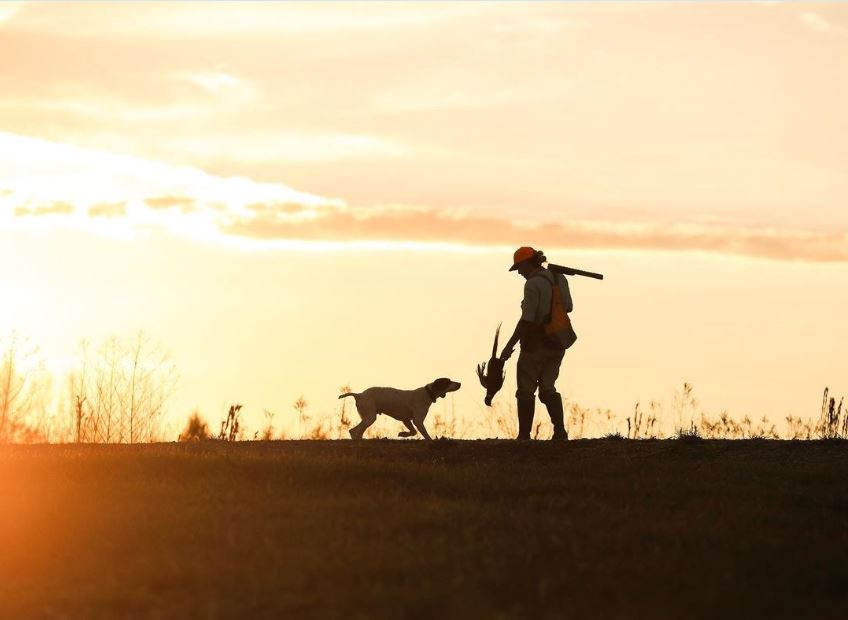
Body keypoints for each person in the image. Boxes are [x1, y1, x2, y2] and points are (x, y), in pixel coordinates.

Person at [499, 246, 572, 441]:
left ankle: (524, 436)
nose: (519, 273)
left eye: (519, 268)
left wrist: (509, 346)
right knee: (548, 388)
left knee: (525, 390)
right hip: (557, 342)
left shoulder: (532, 285)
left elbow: (527, 320)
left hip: (535, 344)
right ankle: (560, 432)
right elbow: (569, 307)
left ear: (526, 264)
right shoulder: (559, 277)